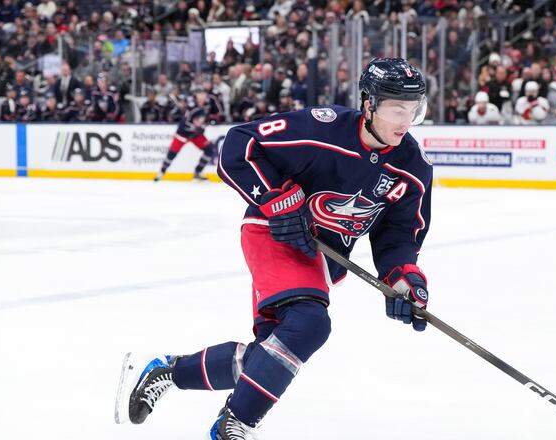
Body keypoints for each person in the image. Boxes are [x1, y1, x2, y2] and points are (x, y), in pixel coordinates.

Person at [116, 58, 432, 440]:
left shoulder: (413, 167)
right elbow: (239, 145)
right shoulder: (322, 128)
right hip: (274, 232)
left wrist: (403, 277)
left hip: (324, 258)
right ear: (368, 104)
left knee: (269, 355)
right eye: (395, 108)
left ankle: (169, 372)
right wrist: (275, 197)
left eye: (414, 110)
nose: (404, 120)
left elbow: (398, 235)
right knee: (309, 324)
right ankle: (235, 424)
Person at [153, 90, 217, 182]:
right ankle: (161, 172)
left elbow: (212, 115)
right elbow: (182, 120)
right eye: (200, 94)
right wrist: (194, 126)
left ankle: (198, 172)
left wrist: (207, 123)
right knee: (172, 153)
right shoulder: (191, 105)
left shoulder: (208, 105)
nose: (202, 97)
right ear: (196, 95)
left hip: (196, 135)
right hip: (183, 133)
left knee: (209, 149)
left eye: (204, 94)